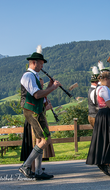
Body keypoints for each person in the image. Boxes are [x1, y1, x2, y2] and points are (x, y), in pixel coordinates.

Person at [19, 45, 61, 180]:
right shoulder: (28, 76)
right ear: (33, 62)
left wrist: (48, 87)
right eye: (41, 63)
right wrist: (53, 88)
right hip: (32, 111)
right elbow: (37, 95)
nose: (42, 66)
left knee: (40, 139)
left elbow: (41, 94)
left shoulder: (35, 76)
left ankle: (37, 171)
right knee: (45, 139)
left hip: (38, 110)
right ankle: (26, 165)